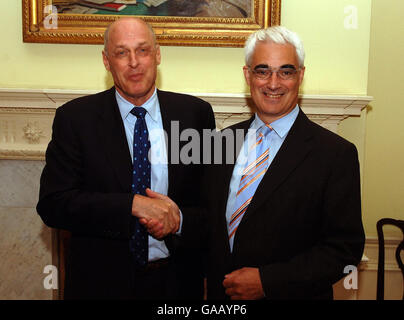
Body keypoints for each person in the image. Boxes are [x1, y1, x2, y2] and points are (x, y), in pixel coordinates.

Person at [36, 17, 216, 299]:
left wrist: (178, 219)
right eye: (121, 52)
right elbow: (53, 204)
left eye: (143, 50)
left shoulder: (195, 114)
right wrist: (133, 205)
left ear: (157, 55)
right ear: (107, 61)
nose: (134, 62)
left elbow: (213, 209)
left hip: (176, 284)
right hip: (100, 284)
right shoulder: (75, 119)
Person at [182, 26, 365, 299]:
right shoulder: (220, 143)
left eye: (286, 71)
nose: (273, 82)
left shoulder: (335, 154)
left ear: (300, 76)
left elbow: (345, 250)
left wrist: (268, 281)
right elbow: (209, 225)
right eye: (262, 70)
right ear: (247, 75)